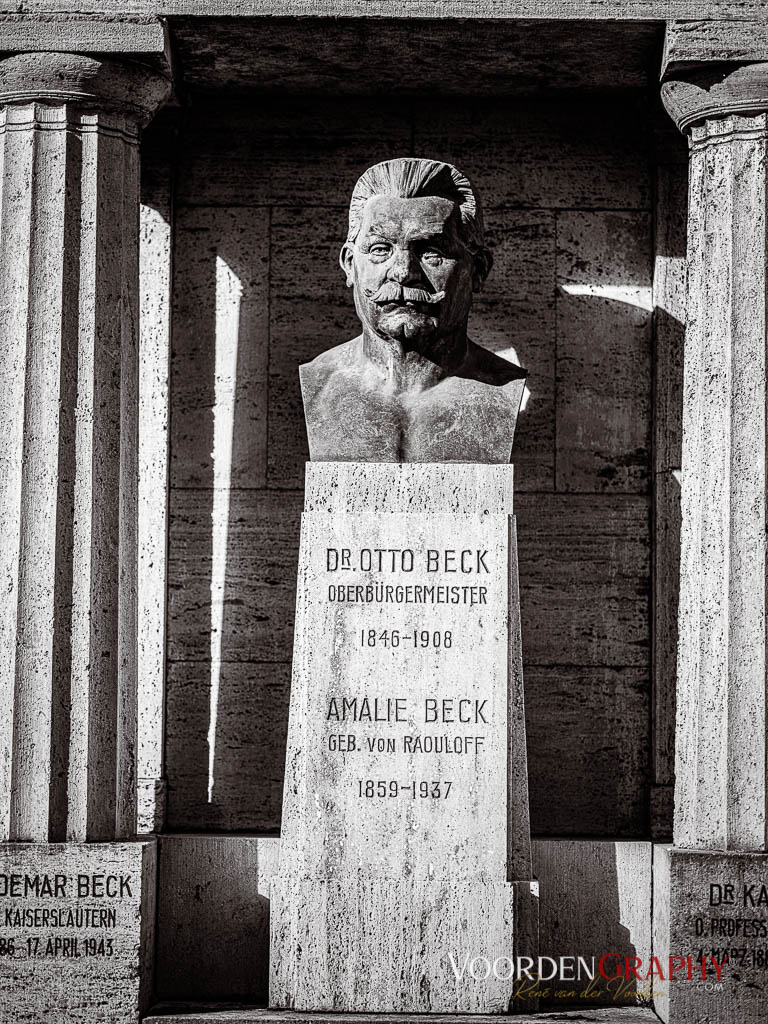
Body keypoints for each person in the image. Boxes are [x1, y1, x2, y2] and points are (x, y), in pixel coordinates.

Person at [301, 157, 527, 463]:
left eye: (431, 251)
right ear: (351, 265)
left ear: (478, 271)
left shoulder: (502, 389)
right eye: (381, 250)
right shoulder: (317, 386)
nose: (403, 272)